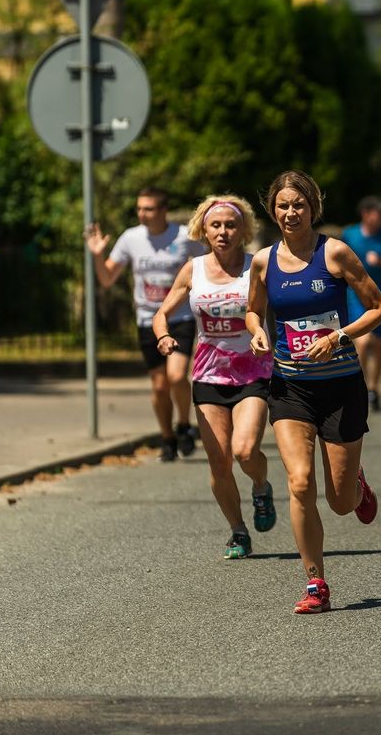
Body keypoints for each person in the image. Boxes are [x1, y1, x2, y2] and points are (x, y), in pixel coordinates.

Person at [246, 170, 381, 615]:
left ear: (312, 208)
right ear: (274, 210)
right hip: (290, 387)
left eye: (299, 205)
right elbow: (253, 311)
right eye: (283, 206)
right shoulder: (264, 262)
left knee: (340, 503)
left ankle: (356, 485)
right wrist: (257, 333)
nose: (291, 213)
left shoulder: (336, 253)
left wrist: (339, 337)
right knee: (300, 482)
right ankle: (315, 583)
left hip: (341, 386)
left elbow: (380, 308)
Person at [153, 195, 276, 559]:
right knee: (219, 460)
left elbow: (281, 308)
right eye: (216, 225)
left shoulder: (258, 266)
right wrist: (163, 336)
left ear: (243, 230)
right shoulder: (193, 270)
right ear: (203, 230)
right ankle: (238, 531)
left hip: (253, 370)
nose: (223, 232)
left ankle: (260, 485)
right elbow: (162, 313)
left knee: (244, 449)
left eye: (231, 225)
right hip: (208, 375)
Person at [85, 187, 206, 461]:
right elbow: (107, 279)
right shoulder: (131, 238)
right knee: (159, 385)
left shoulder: (184, 236)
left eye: (148, 208)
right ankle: (167, 437)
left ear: (163, 210)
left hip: (180, 317)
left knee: (177, 376)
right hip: (147, 320)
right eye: (139, 208)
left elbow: (208, 265)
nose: (142, 213)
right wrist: (96, 255)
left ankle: (185, 425)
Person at [341, 196, 381, 411]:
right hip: (356, 295)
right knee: (364, 341)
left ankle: (374, 389)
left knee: (379, 345)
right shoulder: (350, 234)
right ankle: (363, 386)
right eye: (377, 213)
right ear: (365, 214)